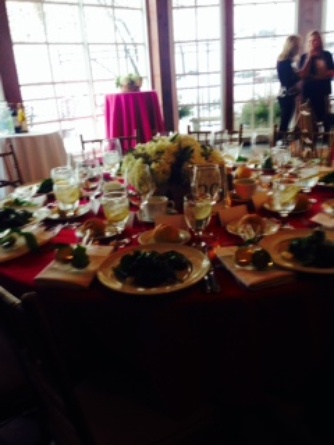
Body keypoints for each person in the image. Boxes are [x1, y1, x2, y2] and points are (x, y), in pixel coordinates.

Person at [299, 30, 334, 133]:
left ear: (320, 41)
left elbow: (332, 71)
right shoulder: (304, 57)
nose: (314, 43)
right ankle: (311, 140)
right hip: (309, 92)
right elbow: (303, 75)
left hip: (323, 91)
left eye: (316, 40)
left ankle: (326, 140)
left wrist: (322, 75)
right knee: (309, 118)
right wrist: (310, 58)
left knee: (324, 116)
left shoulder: (326, 55)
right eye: (311, 41)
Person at [277, 35, 312, 132]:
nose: (299, 48)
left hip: (286, 95)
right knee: (285, 122)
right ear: (293, 46)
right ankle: (281, 143)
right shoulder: (285, 62)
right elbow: (287, 81)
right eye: (298, 46)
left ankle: (282, 142)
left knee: (285, 121)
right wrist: (299, 75)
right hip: (286, 96)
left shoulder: (286, 61)